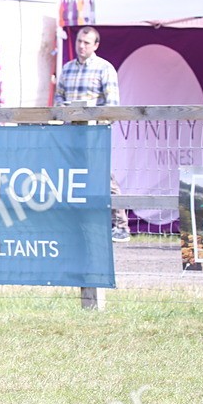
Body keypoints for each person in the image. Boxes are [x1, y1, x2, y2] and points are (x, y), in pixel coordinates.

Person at [54, 27, 130, 243]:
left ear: (95, 45)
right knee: (72, 178)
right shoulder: (67, 70)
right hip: (70, 133)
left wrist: (97, 124)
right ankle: (76, 225)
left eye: (87, 42)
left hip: (94, 133)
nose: (81, 46)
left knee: (105, 178)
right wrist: (65, 116)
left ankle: (121, 225)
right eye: (79, 41)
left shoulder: (104, 69)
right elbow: (58, 99)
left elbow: (112, 105)